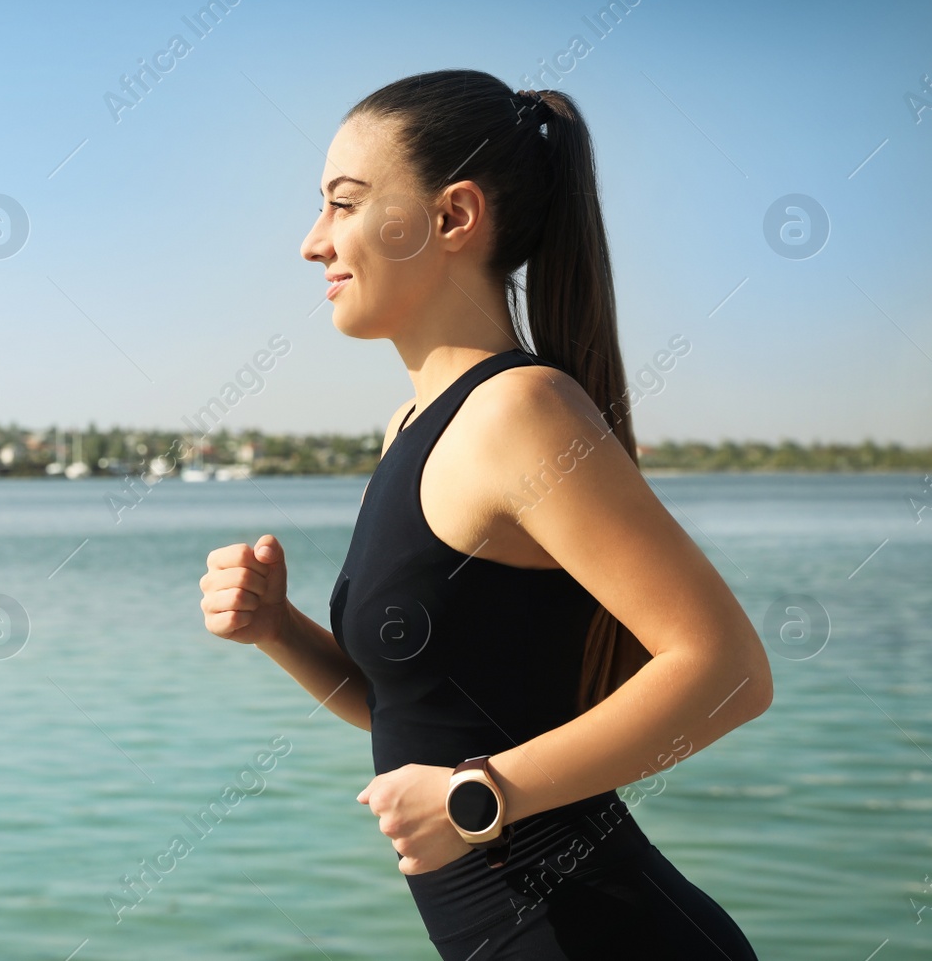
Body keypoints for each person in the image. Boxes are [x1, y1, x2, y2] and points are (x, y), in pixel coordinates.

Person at [197, 70, 773, 959]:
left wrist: (481, 793)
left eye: (344, 205)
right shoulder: (411, 428)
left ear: (453, 217)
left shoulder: (520, 412)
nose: (313, 242)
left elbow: (729, 669)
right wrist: (278, 628)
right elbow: (407, 712)